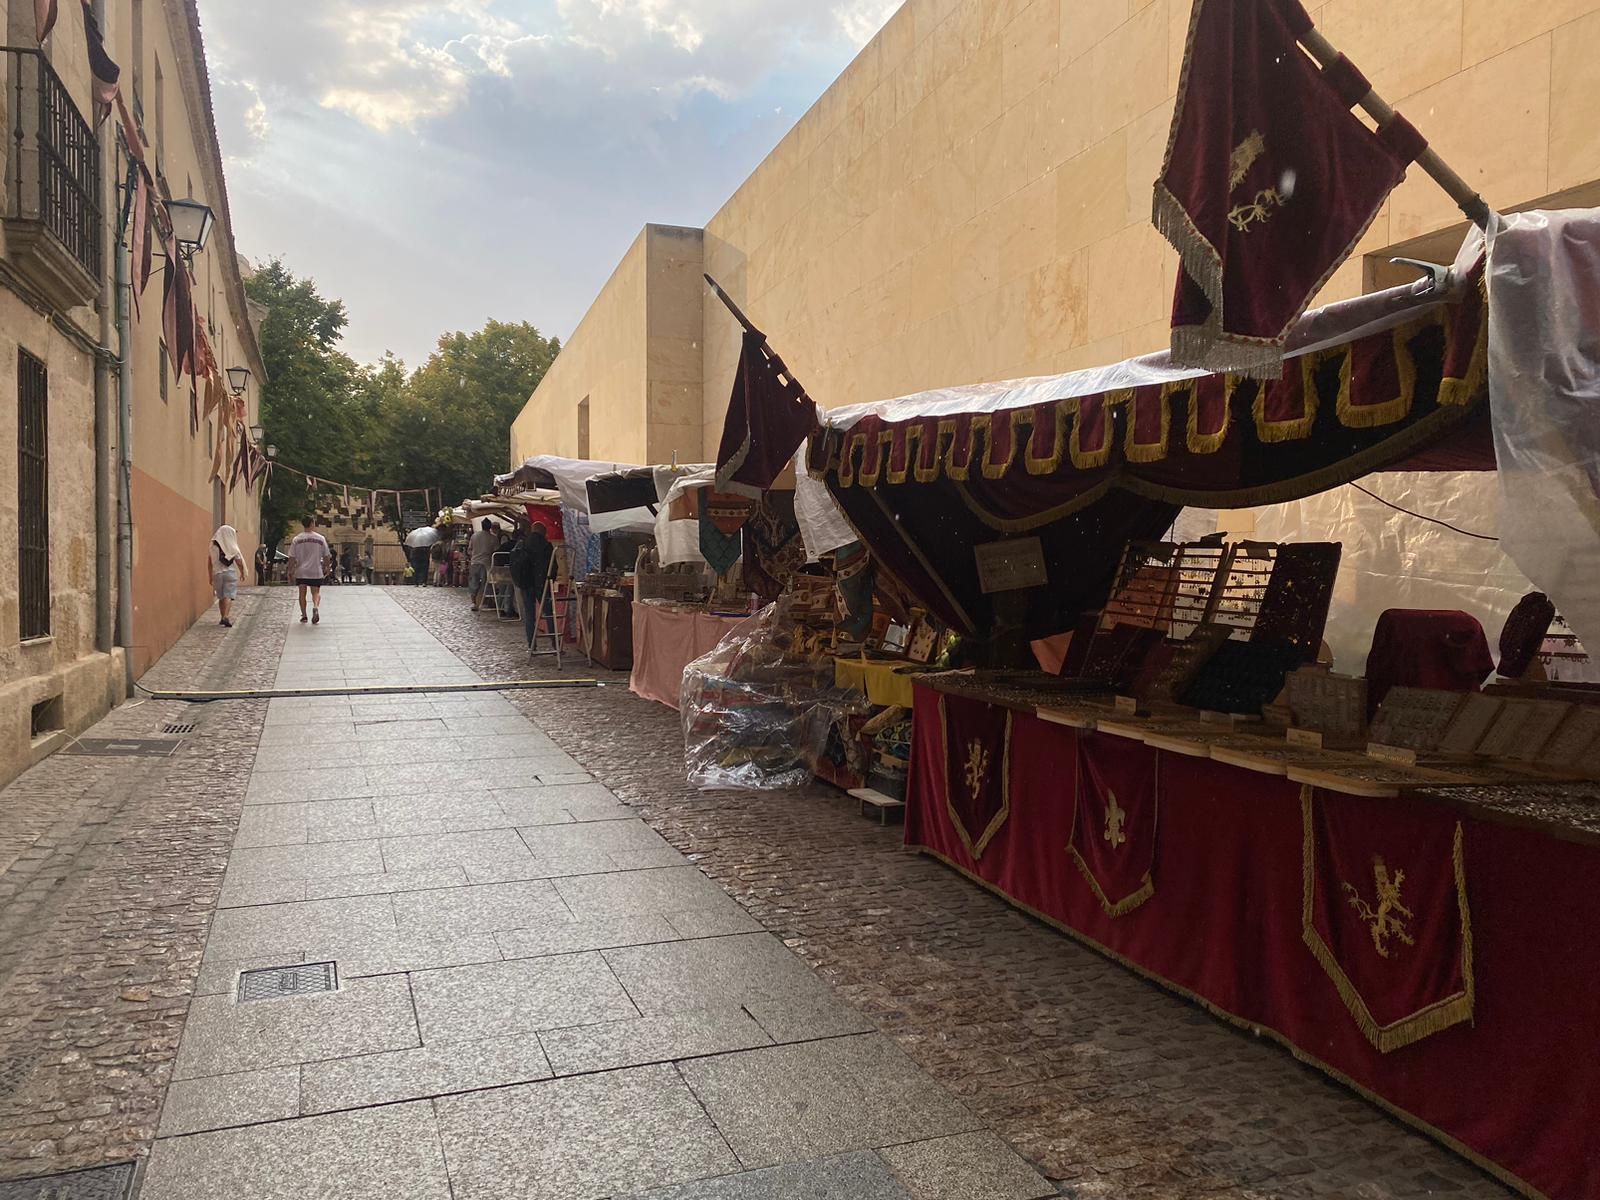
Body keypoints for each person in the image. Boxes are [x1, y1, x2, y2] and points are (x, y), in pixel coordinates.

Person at [508, 524, 554, 648]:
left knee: (529, 616)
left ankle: (532, 645)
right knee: (549, 613)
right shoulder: (547, 546)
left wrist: (519, 582)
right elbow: (553, 566)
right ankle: (555, 644)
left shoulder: (522, 544)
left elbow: (514, 564)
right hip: (542, 583)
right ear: (543, 532)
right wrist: (551, 580)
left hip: (526, 584)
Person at [288, 515, 333, 625]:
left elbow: (292, 557)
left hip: (301, 571)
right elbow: (326, 555)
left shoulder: (297, 539)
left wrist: (290, 570)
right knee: (316, 592)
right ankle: (315, 607)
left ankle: (304, 615)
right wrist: (327, 567)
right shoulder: (320, 538)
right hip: (315, 570)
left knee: (302, 593)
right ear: (312, 523)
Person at [209, 525, 246, 628]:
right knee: (228, 595)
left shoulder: (213, 546)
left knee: (221, 596)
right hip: (229, 573)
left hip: (217, 574)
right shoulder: (231, 546)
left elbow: (209, 562)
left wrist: (210, 576)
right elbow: (239, 561)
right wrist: (242, 573)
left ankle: (221, 617)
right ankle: (226, 616)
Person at [468, 519, 501, 611]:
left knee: (473, 582)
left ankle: (474, 603)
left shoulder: (474, 536)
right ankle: (487, 602)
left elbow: (469, 549)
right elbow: (496, 551)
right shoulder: (493, 538)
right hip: (487, 563)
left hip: (475, 562)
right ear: (490, 527)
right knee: (487, 583)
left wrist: (474, 554)